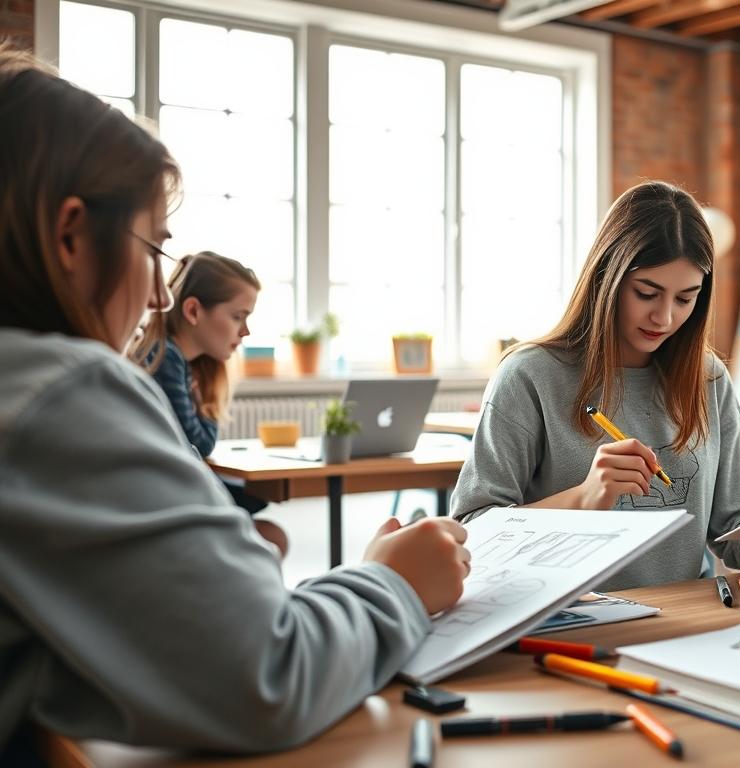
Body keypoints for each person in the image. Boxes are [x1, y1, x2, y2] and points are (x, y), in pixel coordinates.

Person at [0, 47, 471, 759]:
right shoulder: (60, 392)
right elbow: (268, 675)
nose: (157, 296)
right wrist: (392, 582)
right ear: (70, 235)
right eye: (153, 248)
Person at [451, 181, 740, 589]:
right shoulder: (529, 376)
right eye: (646, 293)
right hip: (570, 615)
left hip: (685, 614)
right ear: (606, 277)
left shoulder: (708, 378)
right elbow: (472, 533)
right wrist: (583, 498)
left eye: (685, 299)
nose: (664, 318)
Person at [131, 251, 288, 556]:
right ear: (193, 311)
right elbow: (199, 444)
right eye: (238, 316)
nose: (245, 331)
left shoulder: (179, 362)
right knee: (272, 537)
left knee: (269, 528)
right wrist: (204, 407)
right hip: (162, 504)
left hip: (169, 497)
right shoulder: (166, 358)